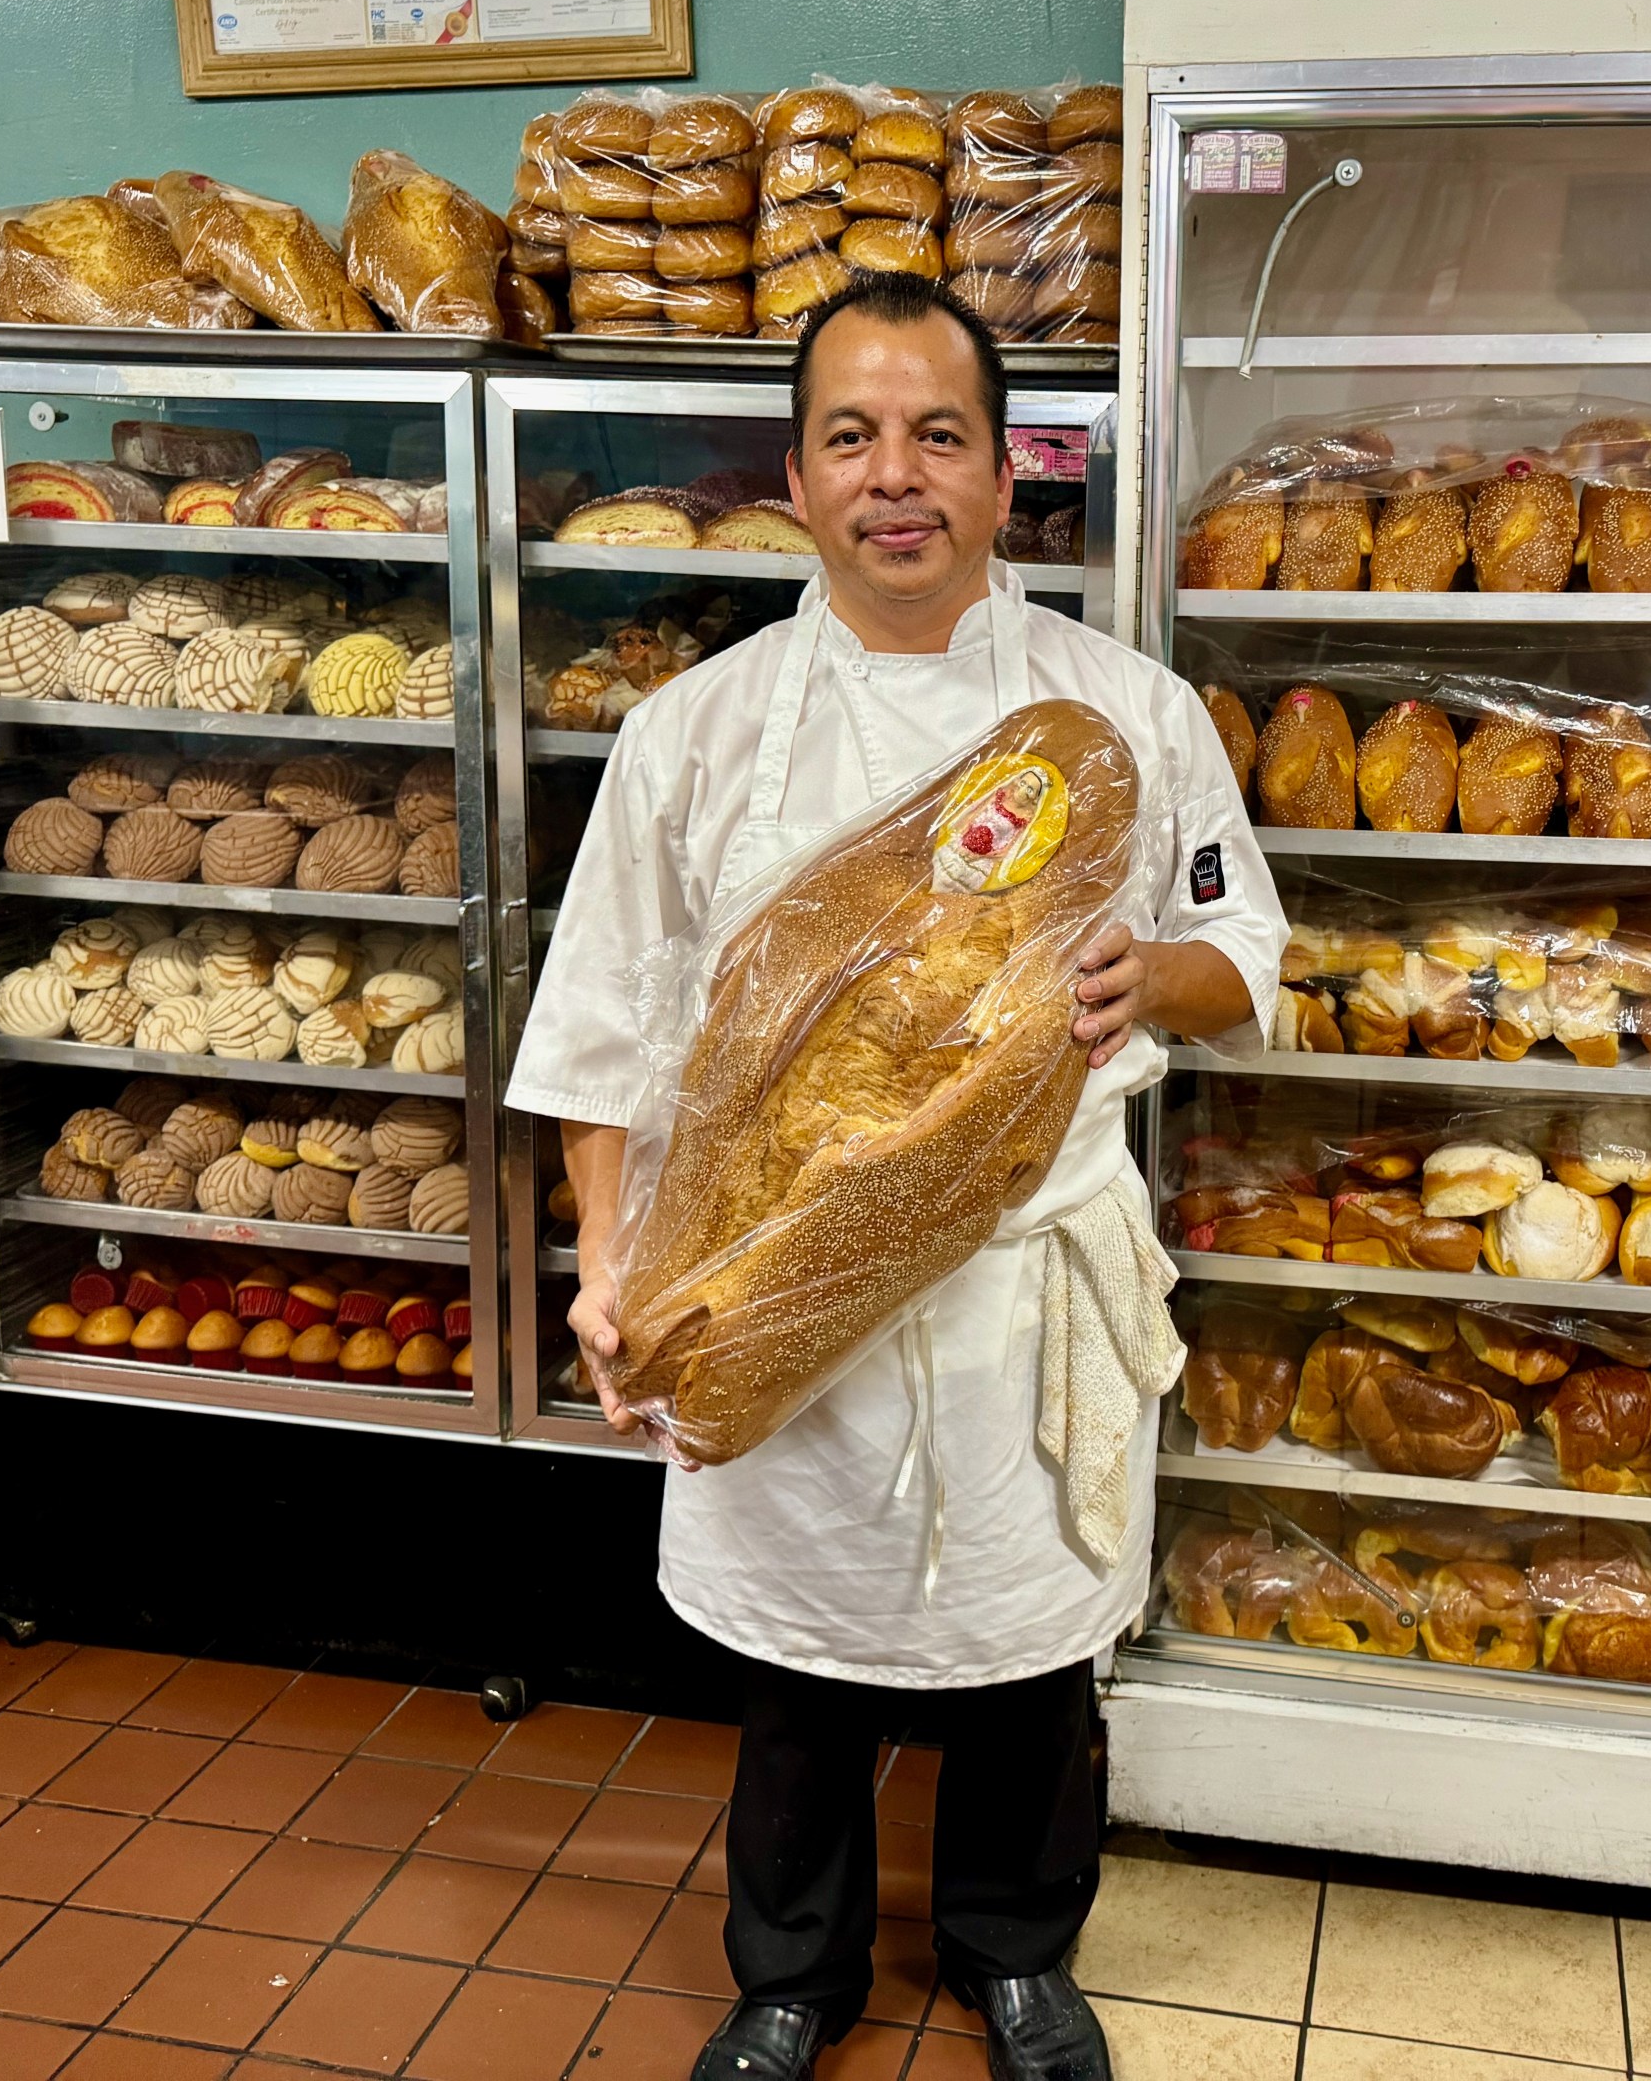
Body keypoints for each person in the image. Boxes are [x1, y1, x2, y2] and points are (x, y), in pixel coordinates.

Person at [507, 271, 1285, 2081]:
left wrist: (1145, 973)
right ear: (797, 475)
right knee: (794, 1663)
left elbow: (1250, 957)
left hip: (1028, 1274)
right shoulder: (692, 730)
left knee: (1029, 1650)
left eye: (939, 434)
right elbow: (604, 1023)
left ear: (1007, 475)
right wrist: (610, 1260)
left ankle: (1017, 1952)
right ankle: (794, 1973)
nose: (896, 475)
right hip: (776, 1268)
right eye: (852, 437)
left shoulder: (1131, 712)